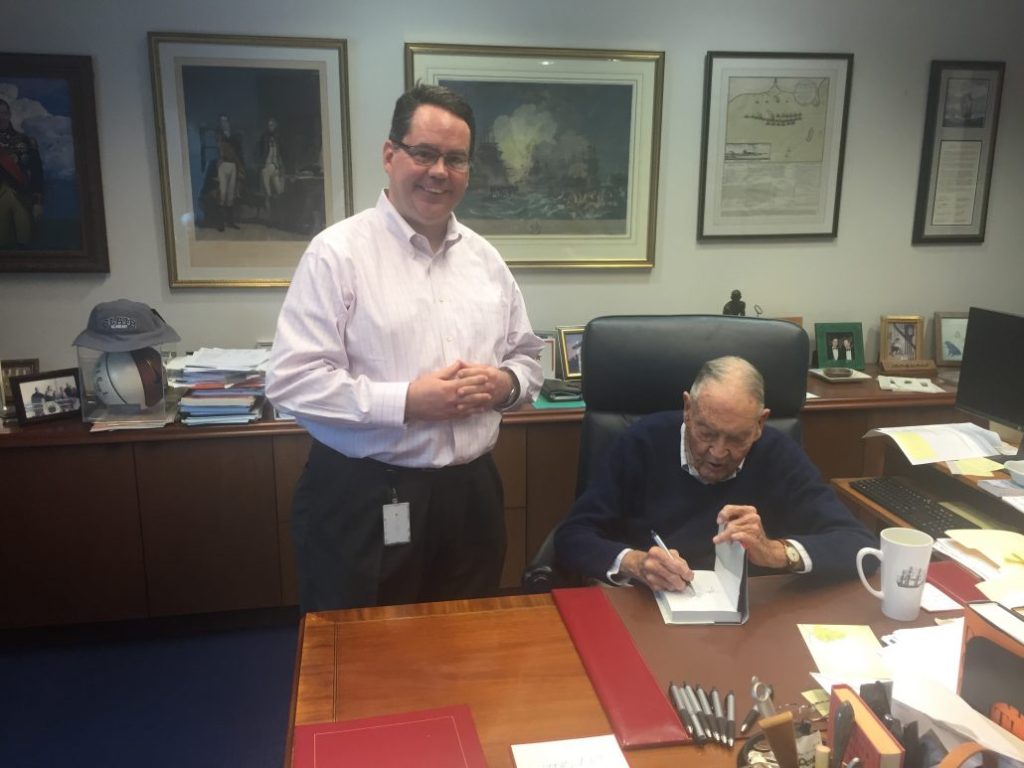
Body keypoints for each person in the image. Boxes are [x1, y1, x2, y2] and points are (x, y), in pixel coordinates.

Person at [266, 84, 544, 612]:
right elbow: (291, 381)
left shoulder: (487, 262)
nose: (439, 171)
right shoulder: (336, 254)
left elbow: (529, 357)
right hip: (366, 496)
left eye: (456, 159)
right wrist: (408, 403)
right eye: (424, 152)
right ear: (390, 155)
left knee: (468, 647)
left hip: (471, 496)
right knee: (366, 661)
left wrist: (504, 384)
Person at [554, 356, 876, 591]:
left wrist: (776, 552)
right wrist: (636, 564)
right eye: (706, 433)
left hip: (750, 622)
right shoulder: (642, 441)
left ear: (761, 424)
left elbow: (862, 548)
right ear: (688, 409)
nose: (718, 452)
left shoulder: (779, 454)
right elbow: (572, 538)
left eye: (737, 438)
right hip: (646, 608)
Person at [0, 98, 44, 247]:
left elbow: (37, 173)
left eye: (4, 113)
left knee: (24, 242)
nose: (1, 117)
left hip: (23, 197)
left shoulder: (25, 141)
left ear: (9, 114)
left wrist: (38, 203)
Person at [214, 114, 244, 231]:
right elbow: (219, 146)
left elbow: (237, 149)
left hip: (233, 165)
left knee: (231, 194)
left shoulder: (234, 135)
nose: (224, 123)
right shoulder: (219, 135)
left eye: (226, 121)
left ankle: (230, 221)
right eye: (222, 121)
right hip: (223, 165)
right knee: (223, 192)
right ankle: (220, 222)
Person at [257, 117, 286, 223]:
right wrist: (262, 164)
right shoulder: (264, 138)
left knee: (280, 192)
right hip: (267, 167)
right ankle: (270, 218)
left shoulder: (279, 138)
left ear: (276, 126)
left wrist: (281, 166)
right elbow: (260, 152)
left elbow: (282, 154)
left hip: (276, 167)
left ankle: (279, 218)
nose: (271, 127)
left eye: (272, 125)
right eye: (269, 125)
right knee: (268, 194)